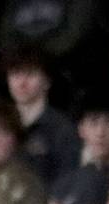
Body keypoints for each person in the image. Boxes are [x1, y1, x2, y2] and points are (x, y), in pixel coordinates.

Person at [5, 49, 82, 190]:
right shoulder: (1, 124)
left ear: (47, 81)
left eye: (30, 74)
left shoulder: (63, 129)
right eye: (15, 74)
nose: (22, 82)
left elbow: (68, 181)